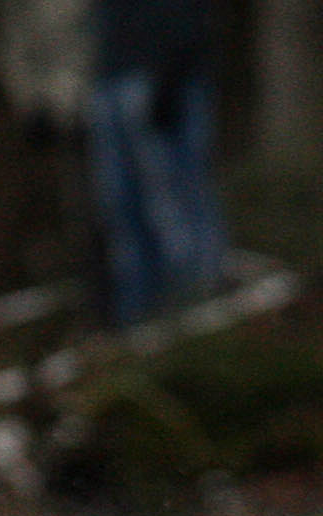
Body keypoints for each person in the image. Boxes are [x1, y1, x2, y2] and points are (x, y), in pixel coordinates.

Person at [88, 0, 226, 328]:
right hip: (111, 76)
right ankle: (139, 321)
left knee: (174, 197)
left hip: (166, 78)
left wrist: (171, 71)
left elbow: (190, 16)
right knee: (121, 207)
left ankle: (197, 305)